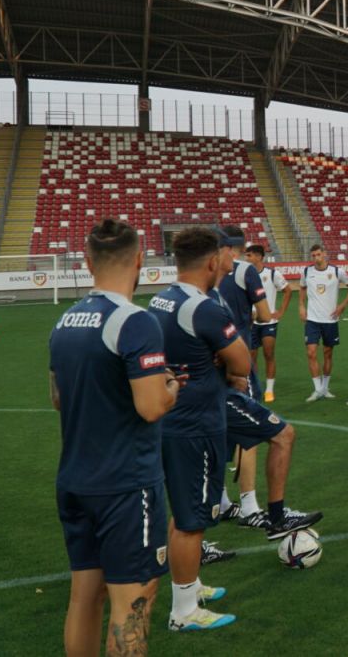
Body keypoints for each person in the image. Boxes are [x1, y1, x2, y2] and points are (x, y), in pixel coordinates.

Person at [50, 219, 180, 655]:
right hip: (125, 485)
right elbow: (150, 406)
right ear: (141, 259)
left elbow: (57, 397)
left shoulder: (64, 321)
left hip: (75, 480)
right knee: (134, 603)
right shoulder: (135, 321)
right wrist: (171, 387)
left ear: (87, 262)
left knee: (85, 597)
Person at [148, 227, 248, 632]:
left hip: (172, 419)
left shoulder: (162, 297)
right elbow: (242, 363)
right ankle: (184, 611)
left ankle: (190, 588)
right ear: (211, 262)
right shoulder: (204, 307)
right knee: (192, 520)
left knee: (182, 513)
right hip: (196, 423)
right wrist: (225, 366)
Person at [214, 227, 273, 529]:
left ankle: (222, 501)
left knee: (219, 428)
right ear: (236, 248)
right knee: (249, 430)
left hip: (211, 362)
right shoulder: (246, 271)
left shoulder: (207, 274)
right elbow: (265, 314)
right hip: (237, 358)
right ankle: (249, 505)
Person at [300, 244, 348, 402]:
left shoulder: (336, 271)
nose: (316, 258)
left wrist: (342, 305)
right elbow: (302, 288)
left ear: (324, 254)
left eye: (318, 254)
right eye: (313, 255)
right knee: (311, 352)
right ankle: (317, 389)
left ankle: (325, 388)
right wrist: (301, 306)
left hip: (330, 320)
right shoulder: (307, 272)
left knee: (328, 353)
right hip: (312, 319)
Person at [243, 245, 295, 404]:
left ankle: (269, 390)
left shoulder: (272, 274)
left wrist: (280, 311)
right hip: (251, 323)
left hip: (269, 321)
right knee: (251, 357)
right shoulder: (245, 275)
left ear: (259, 257)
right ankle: (255, 386)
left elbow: (288, 290)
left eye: (250, 255)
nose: (247, 258)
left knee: (268, 353)